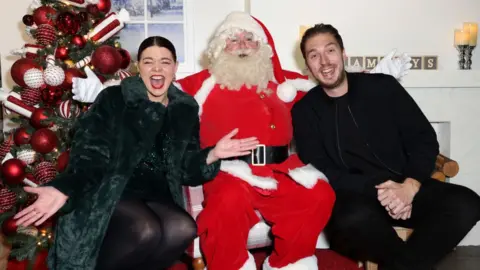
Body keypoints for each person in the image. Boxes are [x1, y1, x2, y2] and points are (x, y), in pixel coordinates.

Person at [67, 12, 411, 270]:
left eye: (249, 39)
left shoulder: (283, 81)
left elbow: (330, 81)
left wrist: (379, 74)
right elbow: (153, 88)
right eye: (234, 40)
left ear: (261, 46)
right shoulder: (201, 83)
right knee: (225, 207)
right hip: (229, 171)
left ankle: (286, 264)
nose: (242, 46)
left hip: (282, 171)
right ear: (220, 48)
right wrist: (100, 90)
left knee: (318, 193)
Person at [13, 36, 259, 270]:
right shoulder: (113, 98)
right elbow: (90, 154)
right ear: (138, 67)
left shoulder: (185, 108)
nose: (157, 69)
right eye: (148, 61)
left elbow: (185, 168)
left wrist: (213, 154)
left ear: (175, 67)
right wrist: (64, 187)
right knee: (145, 229)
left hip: (157, 194)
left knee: (183, 228)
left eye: (165, 62)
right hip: (113, 191)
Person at [292, 23, 480, 270]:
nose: (324, 61)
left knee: (467, 203)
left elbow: (423, 139)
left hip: (405, 186)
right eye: (314, 55)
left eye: (330, 50)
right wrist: (382, 192)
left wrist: (410, 186)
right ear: (307, 65)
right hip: (355, 198)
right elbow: (322, 168)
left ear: (343, 53)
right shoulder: (305, 111)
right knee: (350, 219)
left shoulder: (383, 87)